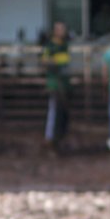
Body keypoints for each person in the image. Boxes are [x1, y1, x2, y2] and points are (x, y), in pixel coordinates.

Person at [41, 21, 71, 151]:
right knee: (53, 111)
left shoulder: (65, 45)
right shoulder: (51, 45)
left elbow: (65, 62)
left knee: (62, 113)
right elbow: (45, 60)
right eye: (60, 29)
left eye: (63, 29)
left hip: (64, 84)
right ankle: (50, 138)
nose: (62, 32)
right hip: (55, 83)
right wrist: (54, 62)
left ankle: (59, 137)